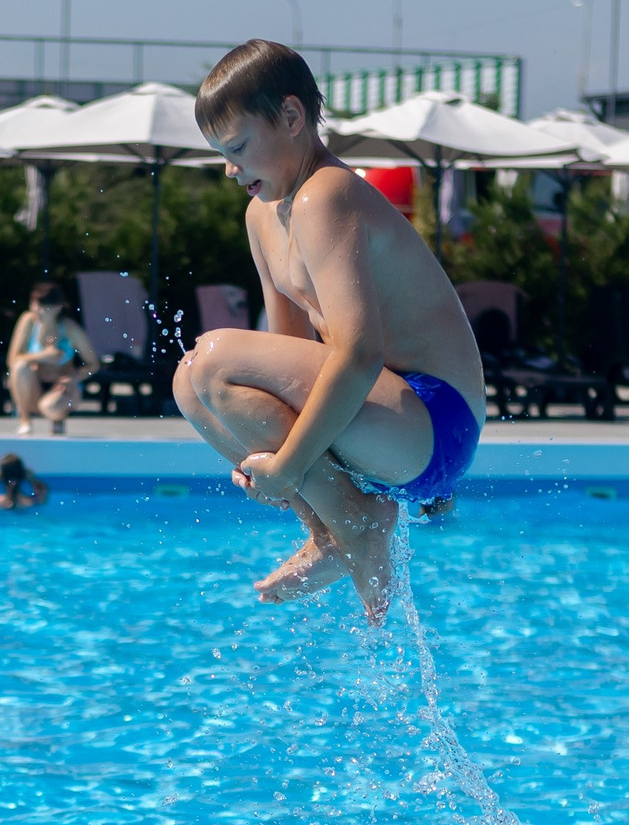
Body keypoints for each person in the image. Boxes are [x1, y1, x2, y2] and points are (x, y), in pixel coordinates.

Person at [174, 39, 486, 624]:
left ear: (292, 118)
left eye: (238, 147)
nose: (229, 167)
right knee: (191, 383)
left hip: (434, 422)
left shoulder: (328, 194)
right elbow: (283, 354)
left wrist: (288, 465)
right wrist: (261, 443)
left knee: (213, 359)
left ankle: (358, 530)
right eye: (220, 153)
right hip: (385, 426)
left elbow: (360, 353)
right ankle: (334, 529)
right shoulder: (261, 214)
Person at [7, 281, 99, 436]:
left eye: (43, 307)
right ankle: (25, 421)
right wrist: (43, 356)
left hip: (61, 388)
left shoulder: (70, 329)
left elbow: (94, 364)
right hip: (33, 388)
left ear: (57, 308)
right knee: (20, 367)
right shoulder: (28, 321)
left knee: (51, 407)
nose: (37, 310)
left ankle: (57, 421)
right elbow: (12, 360)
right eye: (34, 305)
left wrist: (73, 379)